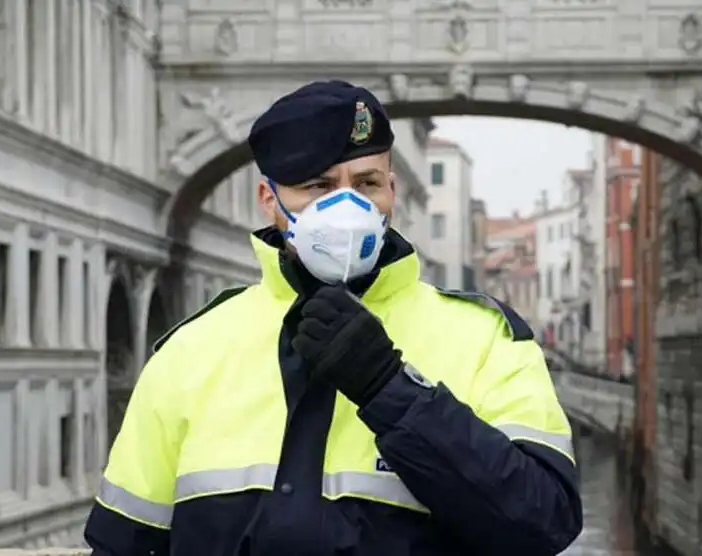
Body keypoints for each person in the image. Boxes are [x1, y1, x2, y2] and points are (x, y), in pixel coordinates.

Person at [84, 80, 583, 556]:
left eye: (366, 183)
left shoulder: (485, 339)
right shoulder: (191, 352)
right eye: (317, 185)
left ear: (391, 191)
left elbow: (543, 522)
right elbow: (125, 542)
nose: (346, 206)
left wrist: (390, 388)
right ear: (270, 201)